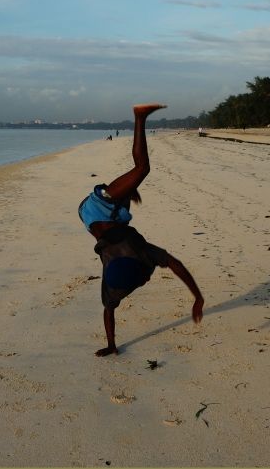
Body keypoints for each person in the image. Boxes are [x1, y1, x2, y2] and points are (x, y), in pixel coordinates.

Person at [78, 104, 204, 357]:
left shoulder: (139, 257)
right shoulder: (114, 281)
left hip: (102, 208)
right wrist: (111, 344)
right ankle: (139, 120)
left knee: (141, 170)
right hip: (90, 215)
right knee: (139, 174)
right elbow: (108, 312)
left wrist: (198, 298)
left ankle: (139, 119)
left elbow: (175, 264)